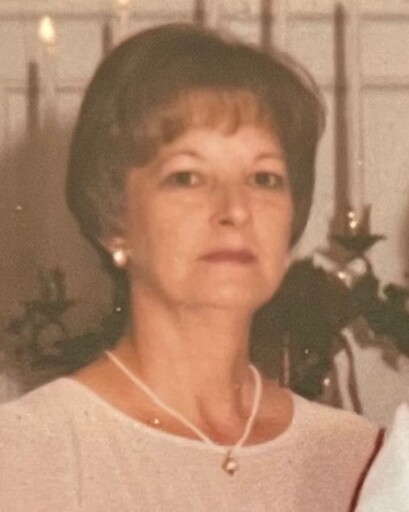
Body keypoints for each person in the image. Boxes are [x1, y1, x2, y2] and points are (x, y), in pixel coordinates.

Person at [0, 23, 379, 511]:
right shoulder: (28, 454)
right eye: (188, 177)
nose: (236, 210)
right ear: (114, 219)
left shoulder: (361, 457)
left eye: (264, 178)